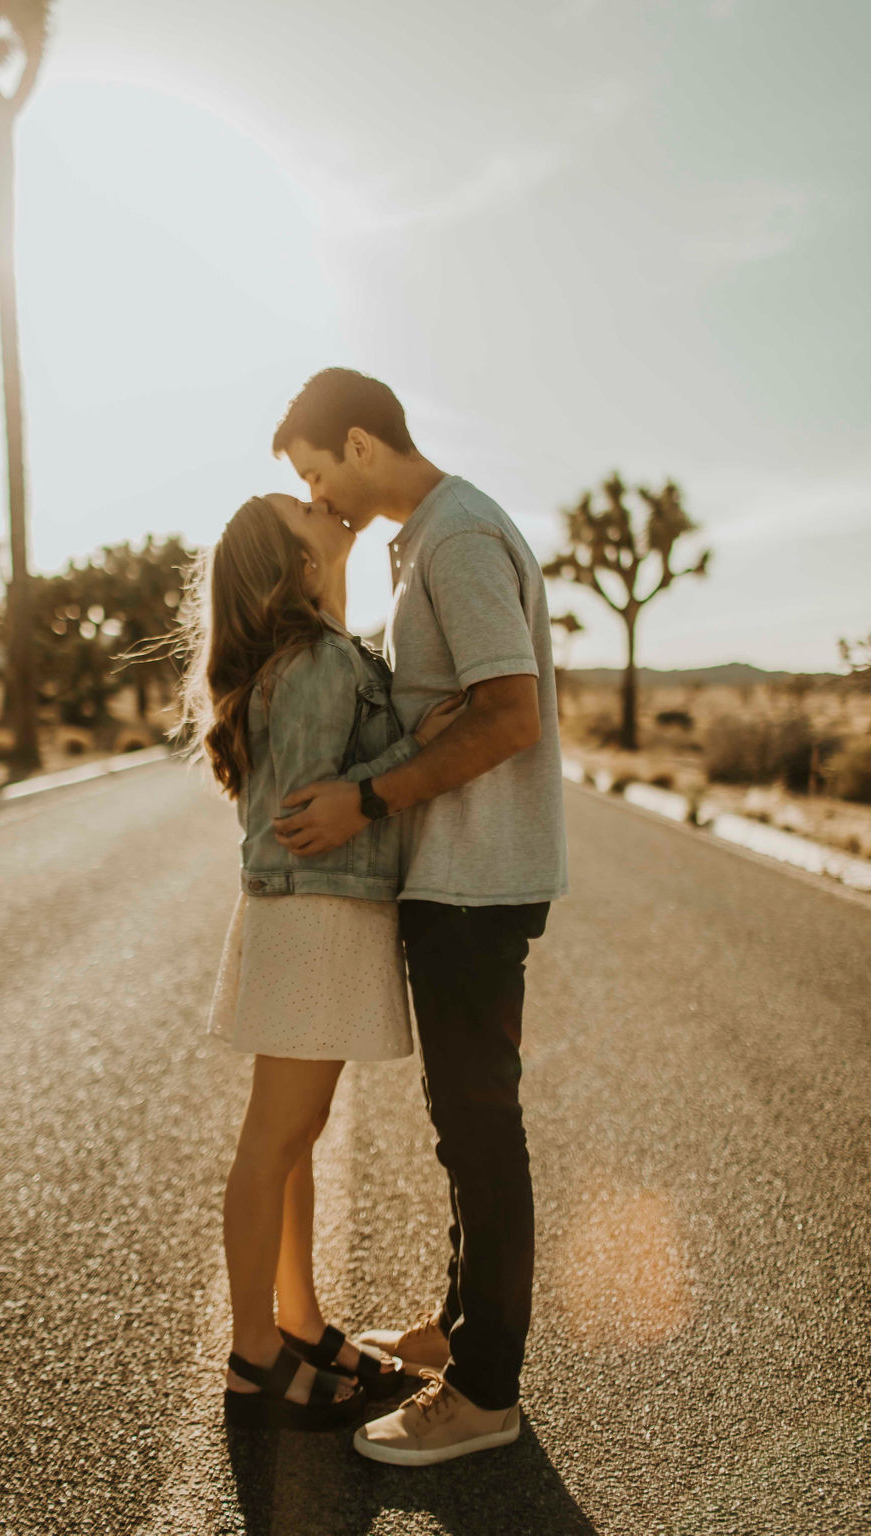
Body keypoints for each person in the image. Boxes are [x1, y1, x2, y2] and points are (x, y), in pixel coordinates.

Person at [270, 368, 569, 1465]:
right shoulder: (423, 539)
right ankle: (462, 1331)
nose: (320, 498)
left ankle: (486, 1393)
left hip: (476, 880)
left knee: (481, 1129)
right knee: (463, 1124)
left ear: (358, 442)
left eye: (316, 474)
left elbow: (509, 718)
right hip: (454, 875)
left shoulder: (454, 538)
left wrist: (368, 796)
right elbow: (463, 706)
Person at [175, 490, 461, 1431]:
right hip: (312, 917)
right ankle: (253, 1356)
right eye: (301, 510)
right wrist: (420, 754)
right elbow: (304, 813)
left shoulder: (320, 653)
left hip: (318, 919)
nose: (321, 503)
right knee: (274, 1141)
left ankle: (295, 1322)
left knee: (293, 1138)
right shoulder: (310, 666)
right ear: (292, 565)